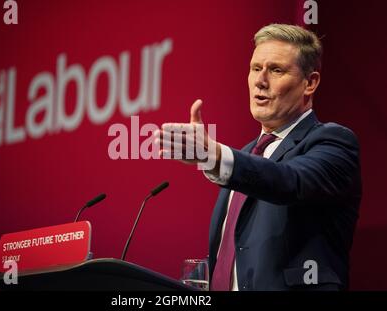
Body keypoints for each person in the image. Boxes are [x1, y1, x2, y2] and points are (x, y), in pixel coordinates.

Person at [155, 24, 361, 291]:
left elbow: (290, 181)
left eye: (276, 70)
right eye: (255, 68)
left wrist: (214, 155)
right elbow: (240, 253)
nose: (260, 81)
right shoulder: (248, 154)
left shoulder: (333, 142)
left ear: (309, 83)